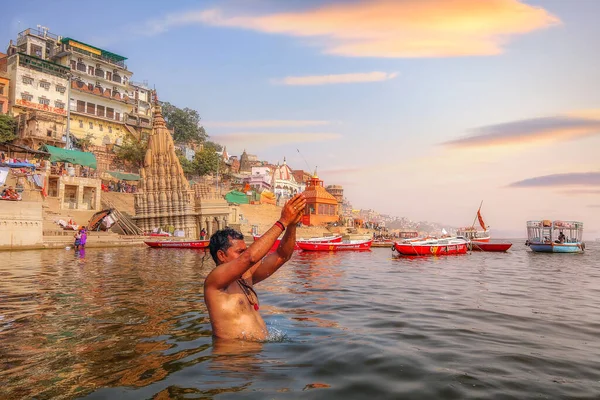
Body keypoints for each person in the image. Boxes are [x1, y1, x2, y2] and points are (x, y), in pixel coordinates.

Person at [204, 193, 306, 341]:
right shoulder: (215, 281)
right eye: (239, 252)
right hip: (232, 360)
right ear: (221, 255)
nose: (244, 255)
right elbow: (250, 257)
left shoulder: (246, 277)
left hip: (255, 357)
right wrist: (283, 221)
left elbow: (283, 256)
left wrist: (291, 225)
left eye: (245, 250)